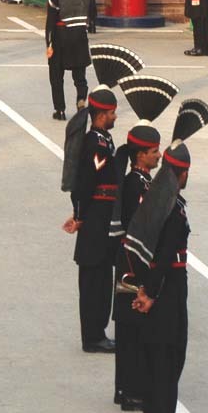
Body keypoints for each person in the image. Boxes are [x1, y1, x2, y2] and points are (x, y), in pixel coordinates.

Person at [127, 140, 196, 413]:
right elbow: (166, 255)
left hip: (155, 286)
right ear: (182, 175)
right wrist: (151, 293)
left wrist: (142, 287)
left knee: (155, 352)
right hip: (169, 289)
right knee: (170, 352)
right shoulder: (173, 208)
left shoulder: (155, 199)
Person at [61, 87, 119, 353]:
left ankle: (97, 332)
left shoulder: (103, 139)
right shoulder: (96, 143)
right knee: (95, 280)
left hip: (98, 216)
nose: (115, 116)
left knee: (101, 278)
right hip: (96, 218)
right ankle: (93, 336)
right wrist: (81, 215)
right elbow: (86, 183)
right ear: (100, 116)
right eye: (111, 113)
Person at [110, 123, 161, 412]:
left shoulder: (142, 182)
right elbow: (136, 231)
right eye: (154, 152)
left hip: (133, 264)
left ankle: (125, 388)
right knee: (132, 331)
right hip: (133, 266)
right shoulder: (135, 186)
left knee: (133, 331)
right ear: (140, 156)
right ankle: (130, 391)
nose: (159, 156)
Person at [45, 0, 90, 121]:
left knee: (56, 76)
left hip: (60, 36)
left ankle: (60, 110)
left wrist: (49, 45)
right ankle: (81, 100)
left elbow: (50, 24)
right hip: (79, 36)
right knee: (80, 76)